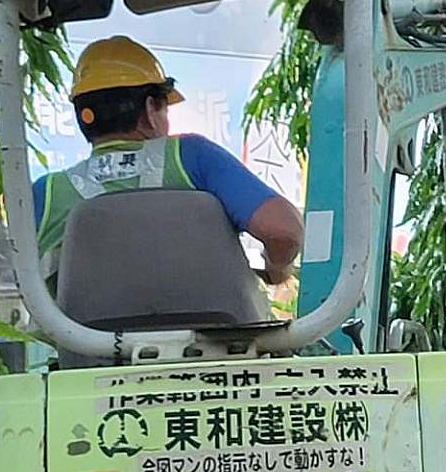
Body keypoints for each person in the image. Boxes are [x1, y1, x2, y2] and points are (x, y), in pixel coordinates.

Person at [33, 36, 303, 286]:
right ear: (151, 109)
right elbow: (284, 232)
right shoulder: (194, 157)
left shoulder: (45, 193)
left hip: (80, 338)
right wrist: (276, 270)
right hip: (207, 336)